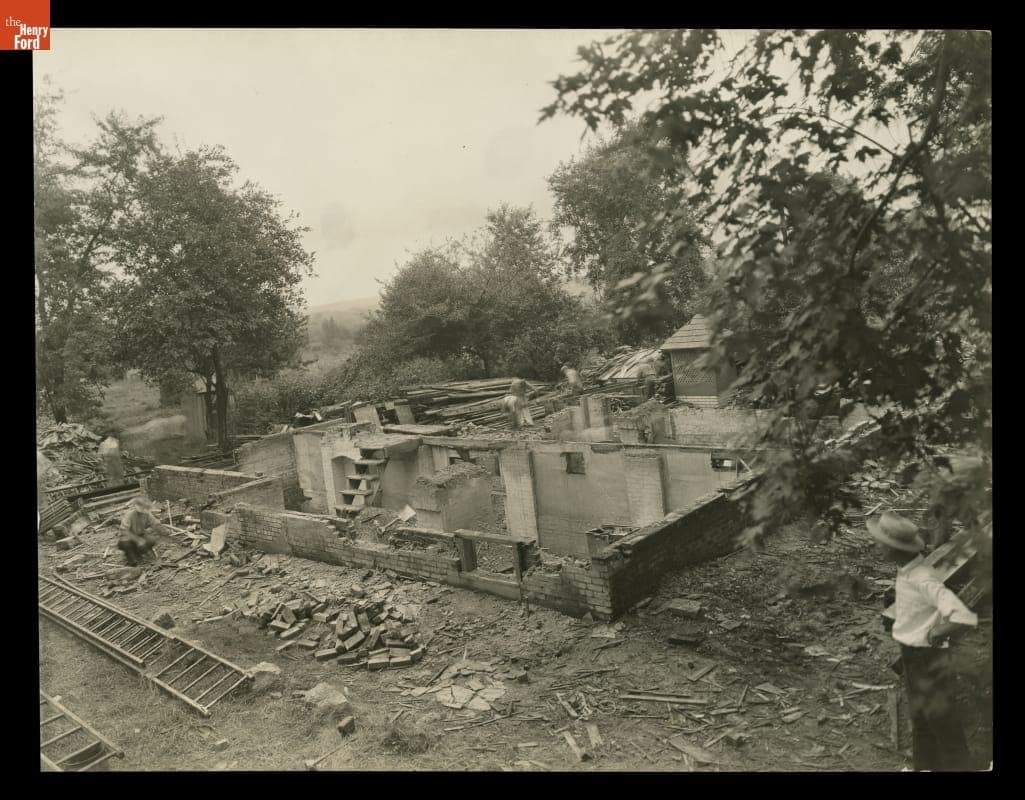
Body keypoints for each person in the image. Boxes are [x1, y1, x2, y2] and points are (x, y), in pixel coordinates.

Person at [868, 511, 978, 771]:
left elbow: (962, 616)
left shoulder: (922, 578)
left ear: (895, 549)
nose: (877, 547)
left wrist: (937, 633)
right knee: (920, 719)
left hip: (928, 658)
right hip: (912, 654)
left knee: (941, 720)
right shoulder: (907, 570)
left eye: (881, 543)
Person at [118, 496, 165, 566]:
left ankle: (137, 552)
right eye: (142, 508)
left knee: (151, 540)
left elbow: (156, 524)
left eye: (145, 508)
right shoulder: (129, 515)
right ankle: (132, 559)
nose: (144, 510)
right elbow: (124, 531)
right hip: (127, 538)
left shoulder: (147, 514)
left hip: (140, 535)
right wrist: (138, 540)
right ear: (136, 506)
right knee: (126, 544)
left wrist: (165, 531)